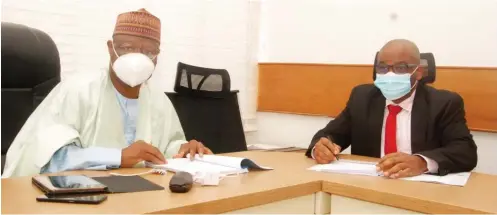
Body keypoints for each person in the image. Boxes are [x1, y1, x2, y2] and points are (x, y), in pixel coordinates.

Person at [2, 9, 213, 178]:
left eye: (149, 52)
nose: (138, 58)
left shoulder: (159, 100)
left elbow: (166, 148)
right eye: (127, 47)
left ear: (157, 56)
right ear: (110, 48)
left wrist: (185, 150)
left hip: (140, 198)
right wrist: (118, 156)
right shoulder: (78, 90)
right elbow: (49, 158)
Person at [306, 39, 477, 178]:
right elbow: (330, 135)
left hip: (419, 188)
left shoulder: (444, 103)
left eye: (400, 68)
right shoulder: (362, 97)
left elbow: (465, 152)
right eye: (382, 67)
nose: (389, 74)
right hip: (368, 186)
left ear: (419, 72)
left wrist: (422, 162)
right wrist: (320, 149)